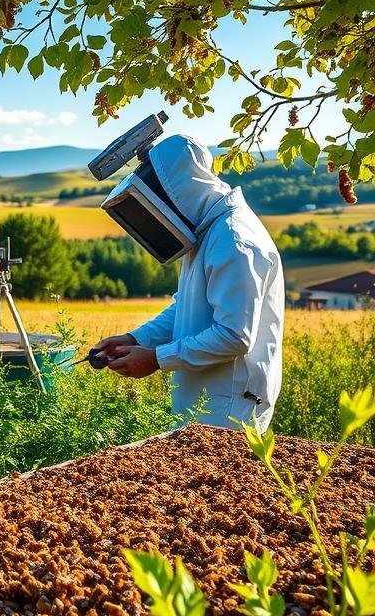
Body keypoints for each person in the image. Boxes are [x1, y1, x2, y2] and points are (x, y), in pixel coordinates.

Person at [94, 134, 284, 431]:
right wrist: (136, 339)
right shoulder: (210, 231)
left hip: (230, 404)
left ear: (177, 192)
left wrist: (156, 358)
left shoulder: (234, 240)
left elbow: (234, 336)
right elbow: (187, 306)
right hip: (207, 400)